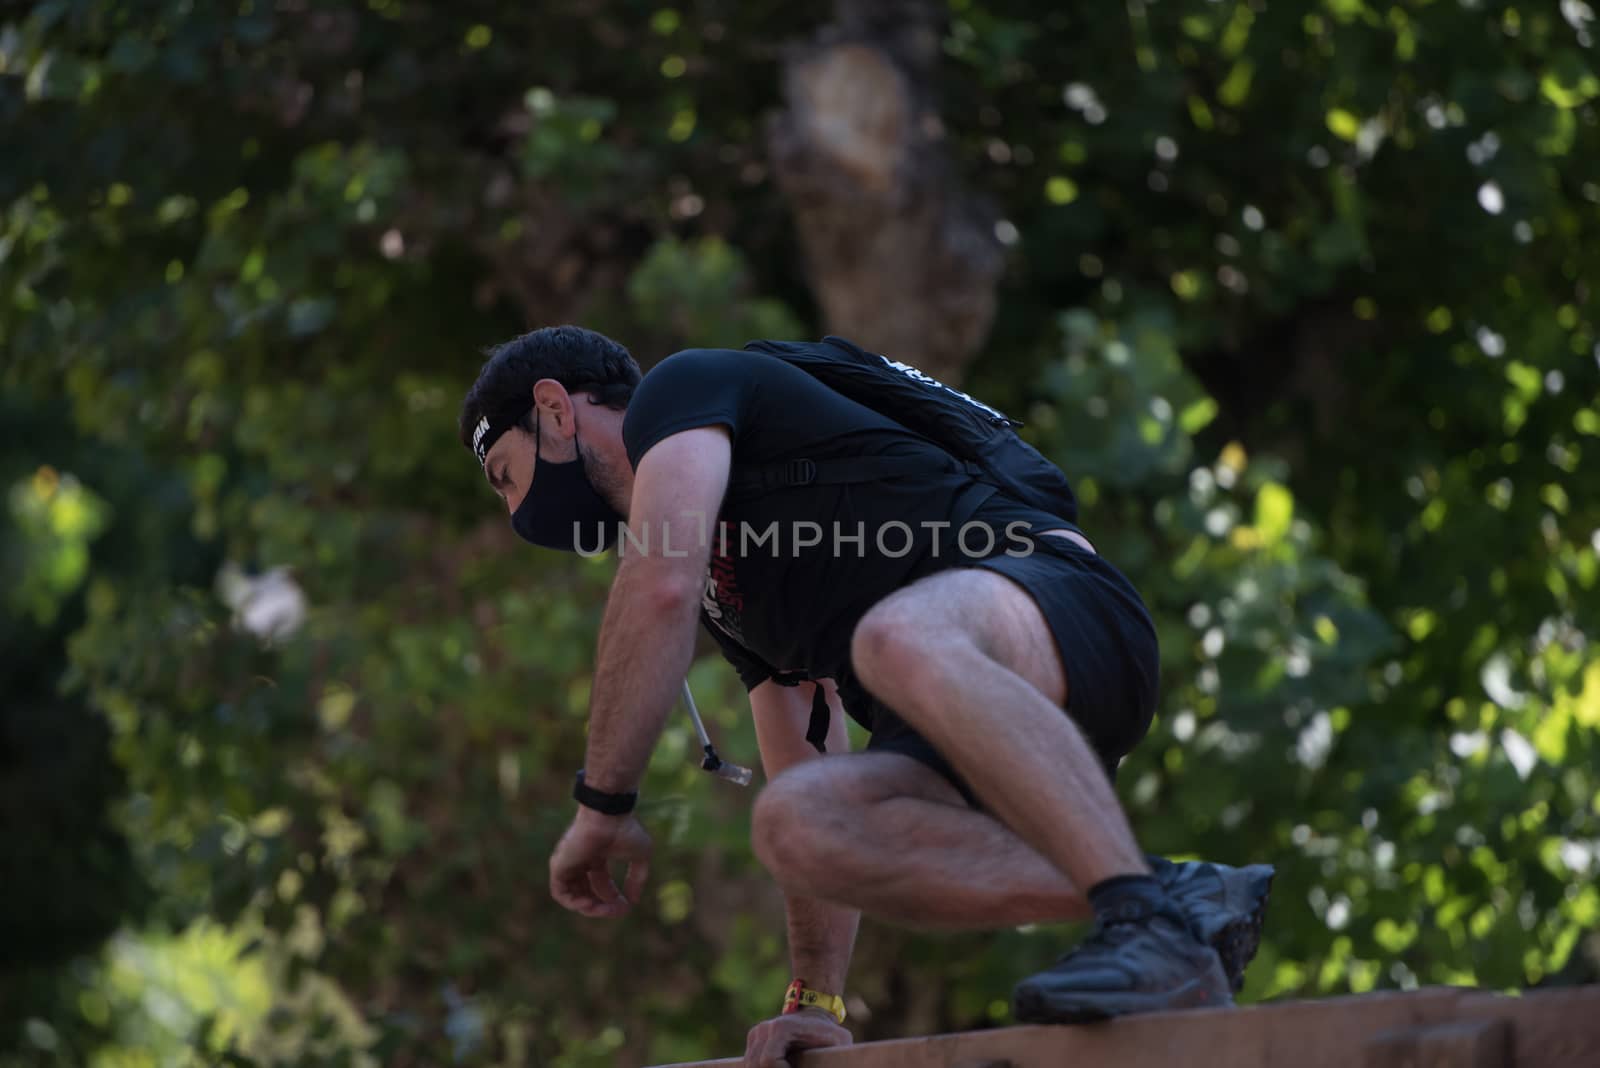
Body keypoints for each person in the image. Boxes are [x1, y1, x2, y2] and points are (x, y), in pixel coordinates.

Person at [457, 325, 1273, 1067]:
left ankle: (1136, 910)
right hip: (980, 738)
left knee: (896, 638)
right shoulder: (731, 591)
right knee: (798, 821)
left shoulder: (683, 390)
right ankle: (1170, 898)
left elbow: (656, 587)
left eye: (506, 475)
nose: (515, 511)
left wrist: (603, 807)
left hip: (1059, 605)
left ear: (556, 410)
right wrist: (814, 1001)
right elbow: (800, 751)